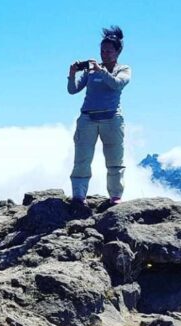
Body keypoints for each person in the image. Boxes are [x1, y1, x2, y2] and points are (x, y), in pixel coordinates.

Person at [68, 26, 131, 205]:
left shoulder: (124, 69)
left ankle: (115, 196)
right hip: (87, 118)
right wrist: (71, 74)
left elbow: (116, 84)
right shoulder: (90, 71)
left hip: (112, 119)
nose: (104, 54)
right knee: (82, 159)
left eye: (108, 51)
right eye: (102, 51)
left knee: (115, 160)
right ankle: (79, 196)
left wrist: (101, 71)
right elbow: (72, 90)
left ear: (117, 52)